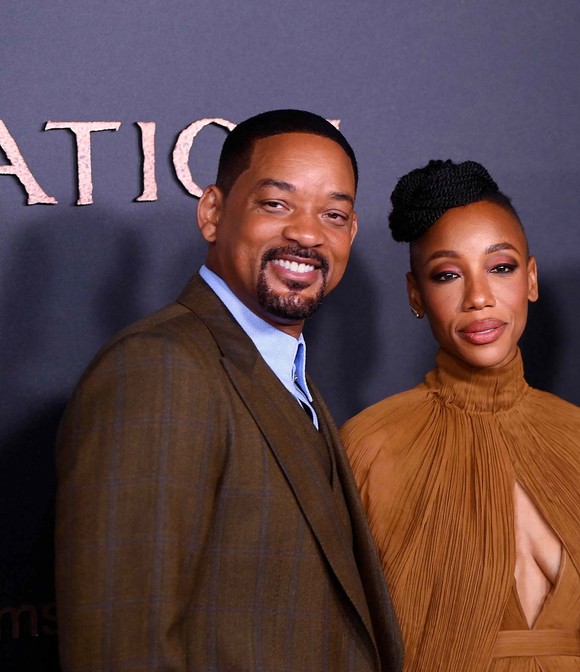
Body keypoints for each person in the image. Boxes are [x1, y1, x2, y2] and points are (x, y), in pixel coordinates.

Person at [55, 109, 403, 672]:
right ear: (213, 212)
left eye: (333, 214)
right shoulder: (161, 368)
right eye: (276, 204)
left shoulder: (286, 375)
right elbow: (121, 646)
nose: (308, 233)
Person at [339, 160, 580, 671]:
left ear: (531, 279)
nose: (478, 297)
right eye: (448, 275)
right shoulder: (371, 447)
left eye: (500, 267)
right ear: (415, 295)